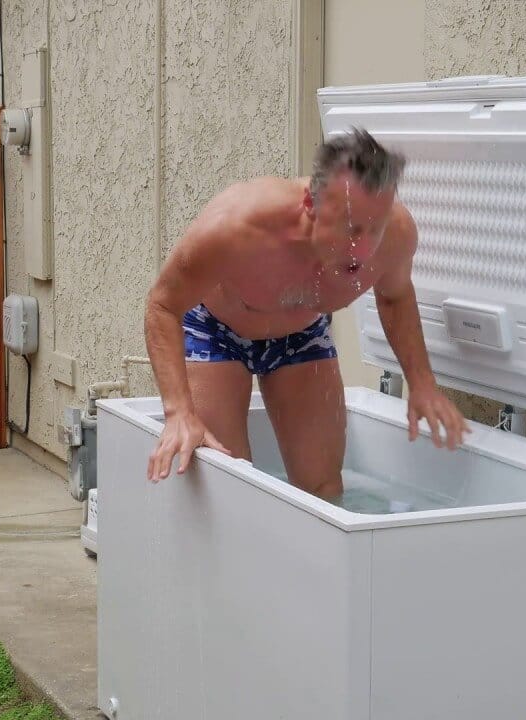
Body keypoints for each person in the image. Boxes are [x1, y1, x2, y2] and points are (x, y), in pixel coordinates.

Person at [143, 127, 469, 500]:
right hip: (216, 331)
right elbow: (162, 305)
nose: (362, 250)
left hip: (301, 334)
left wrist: (422, 382)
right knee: (231, 485)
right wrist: (178, 412)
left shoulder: (397, 236)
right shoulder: (237, 227)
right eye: (350, 228)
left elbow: (394, 299)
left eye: (373, 229)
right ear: (310, 205)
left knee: (323, 491)